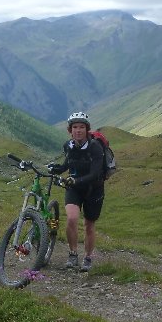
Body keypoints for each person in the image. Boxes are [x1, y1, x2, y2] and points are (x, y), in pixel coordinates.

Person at [48, 111, 106, 272]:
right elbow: (68, 164)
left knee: (89, 225)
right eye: (75, 127)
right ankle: (73, 254)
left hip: (94, 189)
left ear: (87, 129)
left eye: (81, 127)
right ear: (70, 130)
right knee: (72, 219)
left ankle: (87, 257)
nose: (78, 130)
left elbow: (95, 173)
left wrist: (76, 180)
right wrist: (56, 169)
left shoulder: (95, 147)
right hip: (74, 188)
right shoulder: (69, 146)